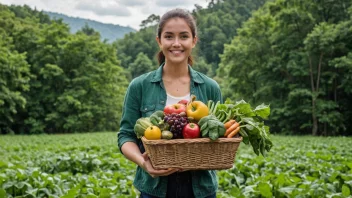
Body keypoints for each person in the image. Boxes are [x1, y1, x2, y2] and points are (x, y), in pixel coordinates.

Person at [117, 8, 223, 198]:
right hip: (154, 188)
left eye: (183, 36)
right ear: (159, 41)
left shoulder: (210, 87)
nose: (176, 43)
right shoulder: (139, 86)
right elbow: (125, 137)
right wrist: (144, 163)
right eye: (169, 37)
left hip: (200, 189)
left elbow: (220, 136)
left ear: (194, 40)